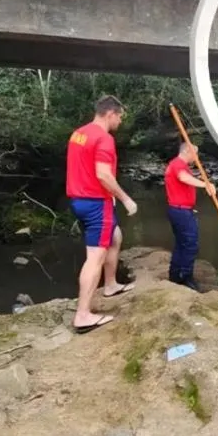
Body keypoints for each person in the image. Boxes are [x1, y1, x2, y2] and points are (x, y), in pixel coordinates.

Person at [65, 95, 138, 334]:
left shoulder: (79, 133)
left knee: (115, 237)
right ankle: (83, 315)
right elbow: (103, 175)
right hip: (96, 203)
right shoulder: (104, 139)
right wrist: (125, 198)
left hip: (78, 199)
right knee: (95, 257)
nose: (120, 121)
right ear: (110, 114)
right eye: (120, 116)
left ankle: (110, 284)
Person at [164, 140, 216, 291]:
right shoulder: (178, 165)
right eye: (195, 154)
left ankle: (175, 275)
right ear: (187, 151)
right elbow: (183, 178)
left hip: (180, 210)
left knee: (182, 244)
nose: (196, 158)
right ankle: (185, 277)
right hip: (180, 211)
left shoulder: (177, 164)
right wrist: (205, 184)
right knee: (190, 245)